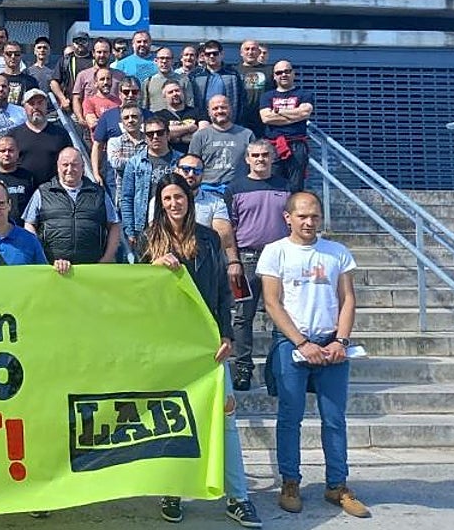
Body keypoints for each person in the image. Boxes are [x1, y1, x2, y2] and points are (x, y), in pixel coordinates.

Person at [140, 176, 261, 528]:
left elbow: (223, 291)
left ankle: (238, 498)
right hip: (166, 343)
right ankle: (172, 491)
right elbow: (135, 291)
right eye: (167, 198)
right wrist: (152, 269)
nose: (173, 204)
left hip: (207, 342)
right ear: (160, 203)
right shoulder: (149, 239)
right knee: (170, 421)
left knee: (226, 418)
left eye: (178, 197)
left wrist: (227, 334)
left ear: (189, 199)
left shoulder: (208, 238)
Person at [260, 191, 370, 519]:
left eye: (315, 217)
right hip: (291, 345)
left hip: (332, 344)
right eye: (303, 216)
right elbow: (272, 302)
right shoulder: (275, 252)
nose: (309, 222)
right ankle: (290, 482)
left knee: (334, 418)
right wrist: (301, 343)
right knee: (290, 416)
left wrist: (341, 340)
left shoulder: (337, 252)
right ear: (288, 218)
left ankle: (337, 484)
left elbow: (347, 299)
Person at [225, 141, 291, 390]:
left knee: (283, 313)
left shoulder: (286, 186)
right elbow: (228, 229)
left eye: (265, 155)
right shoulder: (234, 188)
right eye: (255, 155)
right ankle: (243, 369)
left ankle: (280, 370)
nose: (260, 159)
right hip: (246, 259)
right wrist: (233, 260)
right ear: (247, 159)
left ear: (273, 158)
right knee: (243, 316)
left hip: (280, 259)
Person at [23, 147, 121, 264]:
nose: (69, 169)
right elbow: (29, 224)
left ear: (82, 167)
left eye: (74, 165)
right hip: (53, 268)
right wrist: (41, 258)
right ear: (58, 167)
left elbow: (114, 225)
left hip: (92, 267)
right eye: (65, 165)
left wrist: (107, 258)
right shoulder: (42, 192)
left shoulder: (99, 193)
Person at [119, 117, 179, 247]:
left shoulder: (181, 161)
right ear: (145, 137)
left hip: (176, 227)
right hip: (144, 228)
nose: (155, 137)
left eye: (160, 132)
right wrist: (130, 231)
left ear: (168, 134)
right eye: (150, 134)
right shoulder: (134, 162)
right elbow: (127, 198)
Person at [259, 60, 314, 194]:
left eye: (287, 71)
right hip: (273, 146)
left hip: (297, 145)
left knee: (296, 186)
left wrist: (278, 112)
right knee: (273, 186)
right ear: (274, 76)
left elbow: (305, 113)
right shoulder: (267, 96)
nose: (283, 75)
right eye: (279, 72)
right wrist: (294, 115)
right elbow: (266, 118)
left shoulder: (304, 94)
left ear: (293, 73)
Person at [188, 95, 254, 188]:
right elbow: (192, 165)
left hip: (239, 188)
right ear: (209, 112)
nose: (220, 111)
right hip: (207, 188)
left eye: (223, 107)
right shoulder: (199, 136)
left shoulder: (247, 135)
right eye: (215, 108)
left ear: (231, 109)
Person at [9, 89, 70, 188]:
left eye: (40, 103)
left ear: (46, 106)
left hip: (53, 191)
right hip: (23, 189)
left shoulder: (61, 134)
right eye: (31, 104)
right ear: (24, 107)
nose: (36, 107)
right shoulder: (13, 135)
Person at [0, 135, 36, 222]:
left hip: (22, 228)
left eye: (11, 150)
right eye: (2, 151)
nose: (6, 154)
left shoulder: (29, 177)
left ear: (18, 153)